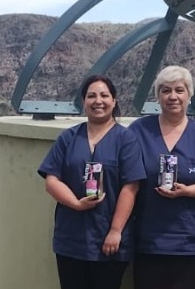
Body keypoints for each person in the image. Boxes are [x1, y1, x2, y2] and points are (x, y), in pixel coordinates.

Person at [38, 75, 146, 289]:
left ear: (114, 101)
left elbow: (131, 186)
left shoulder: (126, 139)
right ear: (83, 102)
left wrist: (115, 231)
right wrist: (76, 204)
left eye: (105, 95)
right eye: (91, 96)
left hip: (109, 240)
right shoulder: (68, 138)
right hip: (71, 239)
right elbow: (51, 180)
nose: (98, 101)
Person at [128, 65, 195, 289]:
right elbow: (126, 179)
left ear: (189, 95)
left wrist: (188, 191)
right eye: (165, 90)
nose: (173, 96)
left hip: (191, 242)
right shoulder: (138, 131)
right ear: (158, 96)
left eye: (179, 90)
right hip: (148, 240)